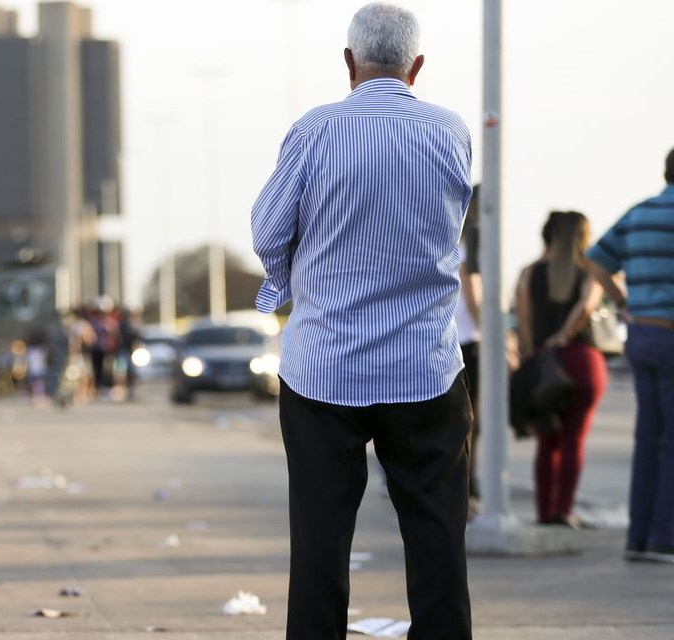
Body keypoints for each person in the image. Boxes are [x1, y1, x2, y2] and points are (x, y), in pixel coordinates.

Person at [251, 4, 474, 638]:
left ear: (348, 62)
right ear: (418, 67)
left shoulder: (315, 132)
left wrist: (284, 281)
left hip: (324, 370)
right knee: (437, 544)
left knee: (320, 544)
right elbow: (451, 221)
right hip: (425, 369)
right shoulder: (449, 131)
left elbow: (269, 228)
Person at [586, 148, 674, 564]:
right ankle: (663, 538)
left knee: (648, 439)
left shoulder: (640, 213)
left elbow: (595, 260)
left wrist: (625, 301)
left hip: (641, 336)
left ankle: (638, 537)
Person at [514, 211, 607, 528]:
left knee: (547, 441)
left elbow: (524, 326)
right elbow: (588, 307)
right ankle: (563, 510)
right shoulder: (589, 272)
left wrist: (537, 353)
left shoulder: (529, 274)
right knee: (573, 439)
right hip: (582, 361)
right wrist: (566, 335)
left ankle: (544, 513)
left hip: (543, 364)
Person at [458, 186, 483, 514]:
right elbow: (474, 299)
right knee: (469, 421)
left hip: (455, 340)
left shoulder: (455, 242)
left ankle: (467, 484)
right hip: (469, 342)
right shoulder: (473, 245)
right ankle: (467, 485)